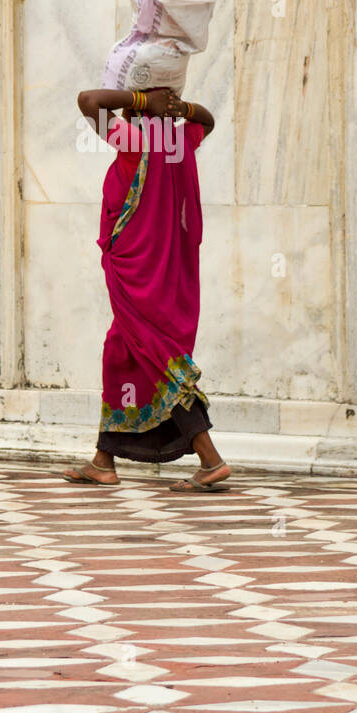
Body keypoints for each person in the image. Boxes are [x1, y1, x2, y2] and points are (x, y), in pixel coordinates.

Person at [62, 84, 230, 493]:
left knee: (158, 361)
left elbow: (87, 100)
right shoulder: (180, 142)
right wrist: (180, 107)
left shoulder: (135, 143)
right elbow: (205, 119)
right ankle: (104, 460)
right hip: (165, 279)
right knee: (121, 357)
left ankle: (211, 460)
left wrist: (140, 100)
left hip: (137, 278)